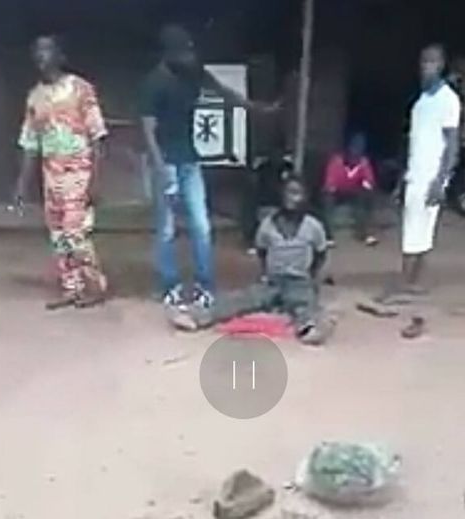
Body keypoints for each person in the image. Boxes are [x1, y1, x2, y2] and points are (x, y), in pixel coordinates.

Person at [140, 24, 277, 311]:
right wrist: (160, 166)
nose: (190, 57)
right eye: (184, 52)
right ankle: (170, 286)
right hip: (166, 162)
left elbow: (225, 94)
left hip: (190, 160)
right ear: (169, 53)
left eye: (190, 51)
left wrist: (255, 108)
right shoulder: (155, 82)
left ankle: (205, 285)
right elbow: (149, 129)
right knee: (167, 229)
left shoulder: (194, 73)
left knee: (201, 225)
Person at [168, 176, 332, 346]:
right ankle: (196, 316)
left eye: (296, 193)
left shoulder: (313, 226)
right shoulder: (268, 224)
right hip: (273, 280)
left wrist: (311, 277)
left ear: (305, 197)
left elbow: (320, 254)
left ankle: (311, 329)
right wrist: (267, 273)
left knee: (305, 304)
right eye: (288, 193)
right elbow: (262, 251)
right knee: (244, 298)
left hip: (299, 281)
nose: (291, 198)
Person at [14, 35, 108, 310]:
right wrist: (22, 184)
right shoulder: (35, 97)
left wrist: (96, 180)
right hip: (51, 176)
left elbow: (97, 137)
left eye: (47, 50)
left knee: (75, 232)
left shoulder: (80, 89)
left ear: (60, 56)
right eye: (37, 51)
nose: (41, 55)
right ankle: (71, 288)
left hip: (79, 172)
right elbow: (30, 144)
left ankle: (94, 286)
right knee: (58, 234)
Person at [392, 44, 460, 295]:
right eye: (423, 62)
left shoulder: (448, 100)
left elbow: (452, 144)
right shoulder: (421, 101)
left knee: (416, 228)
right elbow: (414, 142)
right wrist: (403, 178)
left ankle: (407, 281)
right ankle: (412, 282)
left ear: (441, 65)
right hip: (415, 173)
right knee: (418, 229)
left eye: (432, 62)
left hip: (431, 175)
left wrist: (441, 180)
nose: (426, 67)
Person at [322, 133, 378, 247]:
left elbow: (370, 180)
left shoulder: (363, 162)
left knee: (367, 196)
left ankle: (365, 233)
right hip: (337, 192)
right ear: (347, 150)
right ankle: (328, 236)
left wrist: (367, 185)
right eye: (353, 149)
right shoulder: (336, 161)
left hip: (353, 191)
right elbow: (329, 181)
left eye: (358, 150)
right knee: (327, 198)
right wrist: (331, 187)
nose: (355, 153)